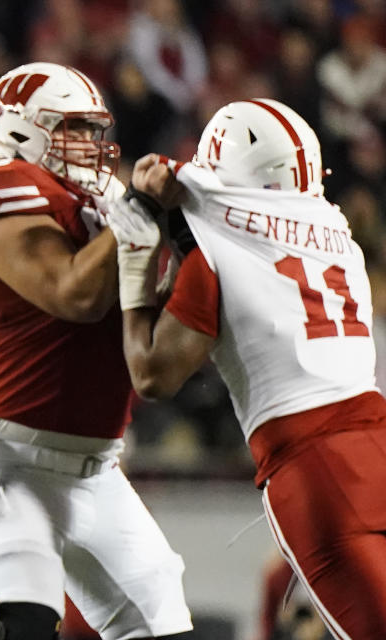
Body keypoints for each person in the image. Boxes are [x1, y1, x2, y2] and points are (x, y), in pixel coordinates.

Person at [109, 98, 386, 639]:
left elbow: (152, 374)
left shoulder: (214, 252)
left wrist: (136, 267)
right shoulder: (340, 237)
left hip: (314, 464)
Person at [0, 61, 193, 640]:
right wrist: (139, 210)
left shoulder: (103, 199)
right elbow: (72, 294)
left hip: (100, 469)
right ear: (20, 129)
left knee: (163, 629)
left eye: (92, 129)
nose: (90, 144)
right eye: (71, 128)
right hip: (16, 466)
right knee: (24, 626)